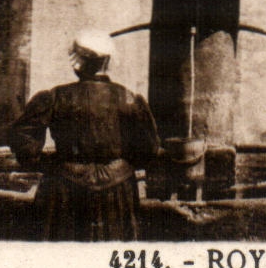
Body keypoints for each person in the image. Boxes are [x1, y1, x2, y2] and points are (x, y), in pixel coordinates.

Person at [9, 30, 162, 241]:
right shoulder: (129, 99)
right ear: (107, 61)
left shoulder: (56, 97)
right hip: (118, 191)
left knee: (66, 258)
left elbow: (22, 136)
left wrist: (47, 163)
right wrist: (122, 166)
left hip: (66, 189)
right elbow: (149, 149)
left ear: (77, 62)